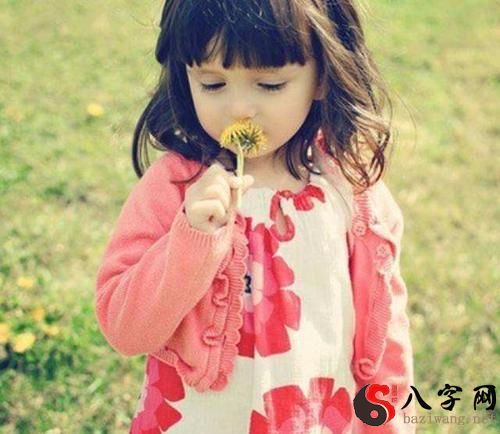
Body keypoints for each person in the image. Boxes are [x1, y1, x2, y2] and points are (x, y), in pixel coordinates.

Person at [95, 0, 416, 432]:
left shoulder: (351, 188)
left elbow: (386, 330)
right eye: (212, 84)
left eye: (269, 84)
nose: (239, 109)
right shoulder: (176, 187)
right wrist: (191, 238)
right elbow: (124, 330)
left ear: (322, 76)